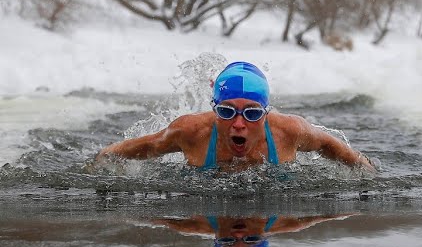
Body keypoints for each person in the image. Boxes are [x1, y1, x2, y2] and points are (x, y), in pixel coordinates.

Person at [95, 61, 376, 172]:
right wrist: (103, 159)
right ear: (214, 111)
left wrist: (363, 168)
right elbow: (146, 147)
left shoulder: (289, 131)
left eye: (252, 113)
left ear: (266, 114)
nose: (239, 124)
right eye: (227, 111)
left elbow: (328, 144)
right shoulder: (190, 132)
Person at [152, 213, 358, 247]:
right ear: (264, 237)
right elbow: (327, 215)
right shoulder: (289, 221)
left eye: (227, 241)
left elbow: (152, 219)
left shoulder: (193, 224)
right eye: (251, 240)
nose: (239, 234)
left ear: (216, 238)